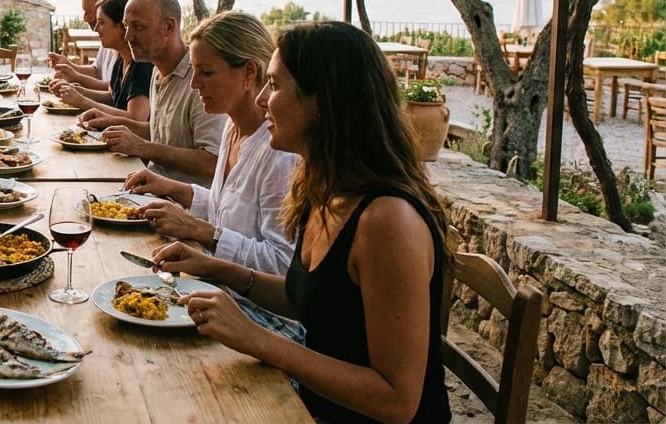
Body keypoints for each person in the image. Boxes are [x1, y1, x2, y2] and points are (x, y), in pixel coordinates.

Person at [157, 21, 452, 424]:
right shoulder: (325, 188)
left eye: (274, 85)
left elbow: (397, 401)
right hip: (310, 404)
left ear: (323, 101)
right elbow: (307, 297)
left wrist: (258, 340)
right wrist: (213, 266)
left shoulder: (388, 221)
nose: (261, 100)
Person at [123, 10, 296, 276]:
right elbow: (225, 209)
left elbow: (282, 265)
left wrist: (200, 231)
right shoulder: (232, 127)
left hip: (246, 309)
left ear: (249, 72)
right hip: (213, 284)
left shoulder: (279, 153)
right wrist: (172, 188)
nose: (194, 84)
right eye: (193, 71)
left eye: (206, 72)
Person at [80, 0, 224, 182]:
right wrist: (111, 121)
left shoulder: (201, 80)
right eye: (126, 26)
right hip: (149, 191)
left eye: (138, 27)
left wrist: (142, 147)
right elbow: (162, 133)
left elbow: (212, 162)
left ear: (169, 27)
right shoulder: (157, 68)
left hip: (181, 206)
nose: (128, 36)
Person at [49, 0, 151, 122]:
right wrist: (77, 91)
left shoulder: (142, 65)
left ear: (122, 26)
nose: (96, 28)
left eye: (102, 23)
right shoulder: (121, 59)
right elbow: (111, 96)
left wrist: (83, 101)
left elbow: (136, 118)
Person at [46, 0, 120, 95]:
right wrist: (69, 65)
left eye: (89, 13)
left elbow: (114, 90)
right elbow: (97, 71)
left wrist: (76, 81)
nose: (85, 18)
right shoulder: (106, 40)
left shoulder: (125, 47)